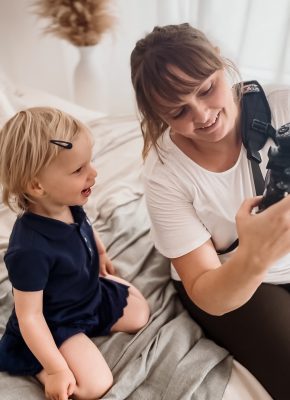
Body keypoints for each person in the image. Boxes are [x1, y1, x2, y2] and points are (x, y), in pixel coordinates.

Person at [130, 23, 290, 399]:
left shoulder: (282, 106)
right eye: (177, 110)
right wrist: (253, 255)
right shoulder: (164, 175)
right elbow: (207, 292)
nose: (202, 115)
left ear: (220, 62)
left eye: (206, 90)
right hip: (229, 280)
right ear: (158, 116)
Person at [0, 107, 150, 400]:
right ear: (36, 186)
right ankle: (37, 361)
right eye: (79, 170)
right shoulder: (28, 250)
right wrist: (56, 370)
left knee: (139, 315)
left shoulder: (67, 201)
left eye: (90, 162)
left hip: (86, 295)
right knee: (94, 385)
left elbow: (85, 226)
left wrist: (101, 252)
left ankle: (91, 319)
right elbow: (29, 316)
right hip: (55, 320)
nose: (93, 173)